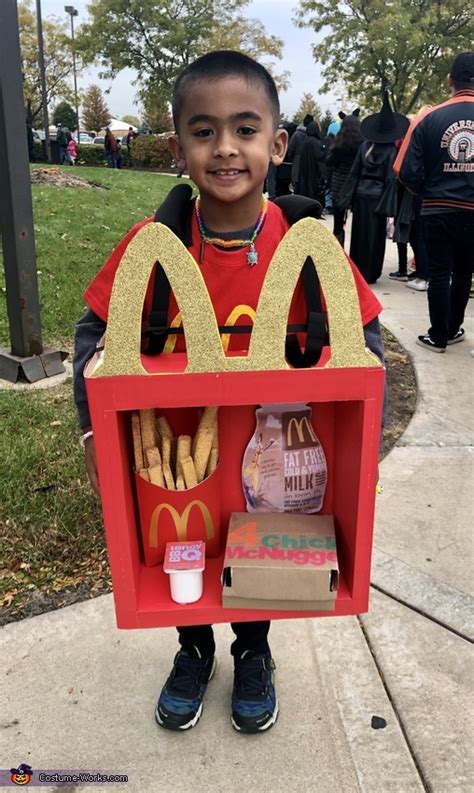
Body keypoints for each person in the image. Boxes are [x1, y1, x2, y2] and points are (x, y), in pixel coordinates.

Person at [73, 50, 385, 735]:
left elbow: (366, 334)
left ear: (276, 143)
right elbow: (93, 327)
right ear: (179, 143)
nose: (225, 148)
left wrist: (368, 442)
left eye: (244, 129)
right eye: (204, 130)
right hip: (177, 449)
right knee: (181, 550)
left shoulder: (304, 246)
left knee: (257, 554)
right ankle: (193, 647)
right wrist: (94, 429)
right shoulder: (151, 245)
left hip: (271, 448)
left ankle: (252, 646)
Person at [394, 51, 474, 352]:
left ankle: (438, 336)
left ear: (450, 80)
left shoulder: (428, 117)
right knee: (464, 272)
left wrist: (428, 191)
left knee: (440, 272)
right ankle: (453, 329)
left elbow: (404, 170)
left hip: (437, 208)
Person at [339, 92, 409, 283]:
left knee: (359, 233)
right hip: (378, 197)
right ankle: (371, 272)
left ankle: (358, 270)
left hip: (361, 194)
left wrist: (346, 197)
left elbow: (354, 172)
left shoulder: (364, 147)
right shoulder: (390, 151)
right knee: (375, 237)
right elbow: (390, 178)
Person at [326, 115, 363, 246]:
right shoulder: (362, 144)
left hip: (339, 184)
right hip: (355, 184)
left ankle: (338, 248)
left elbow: (329, 161)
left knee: (338, 221)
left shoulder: (338, 143)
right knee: (358, 223)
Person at [296, 121, 326, 205]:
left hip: (304, 170)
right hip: (314, 171)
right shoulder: (316, 142)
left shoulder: (305, 141)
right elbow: (319, 156)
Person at [286, 113, 313, 193]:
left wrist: (292, 158)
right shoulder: (311, 136)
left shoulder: (297, 134)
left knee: (296, 185)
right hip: (308, 166)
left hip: (297, 163)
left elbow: (290, 149)